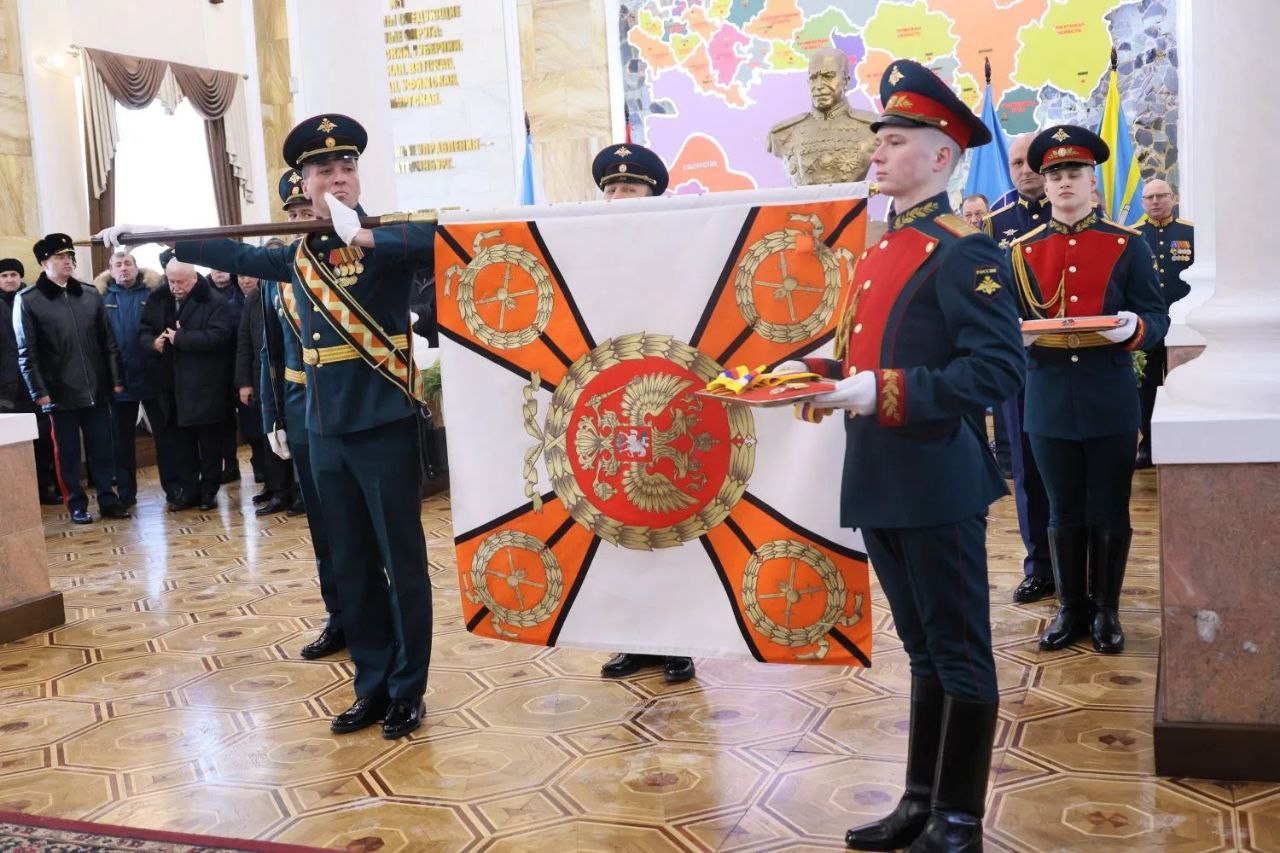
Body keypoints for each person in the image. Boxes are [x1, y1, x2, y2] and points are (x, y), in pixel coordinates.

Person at [104, 115, 433, 739]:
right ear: (304, 184)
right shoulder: (297, 257)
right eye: (324, 171)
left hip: (383, 427)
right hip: (325, 432)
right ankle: (371, 685)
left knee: (402, 563)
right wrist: (151, 235)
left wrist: (363, 235)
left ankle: (408, 689)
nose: (339, 178)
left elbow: (441, 239)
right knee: (352, 565)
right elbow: (234, 252)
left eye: (347, 168)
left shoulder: (389, 238)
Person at [781, 60, 1024, 852]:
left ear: (942, 155)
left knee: (960, 654)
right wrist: (813, 374)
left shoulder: (964, 251)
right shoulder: (884, 247)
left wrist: (876, 391)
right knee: (923, 649)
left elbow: (996, 371)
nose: (876, 152)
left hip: (935, 477)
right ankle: (921, 801)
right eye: (878, 139)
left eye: (893, 141)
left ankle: (959, 820)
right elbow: (874, 352)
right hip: (882, 476)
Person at [1012, 126, 1170, 655]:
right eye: (1054, 173)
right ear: (1045, 182)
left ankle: (1106, 609)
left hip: (1108, 394)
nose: (1064, 181)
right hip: (1049, 397)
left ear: (1092, 180)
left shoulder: (1127, 244)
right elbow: (1004, 320)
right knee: (1061, 509)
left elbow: (1156, 315)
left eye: (1074, 172)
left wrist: (1136, 328)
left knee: (1109, 506)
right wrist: (1013, 336)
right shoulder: (1022, 251)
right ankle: (1070, 607)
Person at [586, 142, 698, 685]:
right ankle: (634, 639)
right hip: (612, 406)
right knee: (619, 518)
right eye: (611, 188)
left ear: (654, 195)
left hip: (668, 404)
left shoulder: (680, 248)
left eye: (629, 187)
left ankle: (679, 641)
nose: (618, 196)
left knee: (670, 519)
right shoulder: (589, 252)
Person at [257, 172, 345, 658]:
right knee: (323, 526)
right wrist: (273, 417)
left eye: (306, 212)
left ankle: (376, 612)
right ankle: (339, 616)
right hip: (300, 408)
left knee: (356, 521)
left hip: (345, 405)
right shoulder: (276, 276)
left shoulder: (347, 262)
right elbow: (269, 352)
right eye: (292, 215)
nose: (299, 221)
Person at [984, 131, 1055, 604]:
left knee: (1068, 468)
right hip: (1019, 364)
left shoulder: (1071, 213)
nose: (1025, 170)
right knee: (1027, 469)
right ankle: (1040, 566)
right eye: (1016, 163)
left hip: (1068, 360)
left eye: (1032, 161)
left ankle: (1081, 566)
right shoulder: (994, 223)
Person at [13, 234, 128, 523]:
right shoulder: (28, 300)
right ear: (44, 263)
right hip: (58, 391)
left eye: (70, 256)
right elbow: (27, 352)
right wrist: (39, 391)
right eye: (60, 257)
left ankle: (108, 500)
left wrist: (115, 380)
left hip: (96, 388)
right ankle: (76, 504)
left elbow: (108, 342)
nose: (68, 261)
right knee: (67, 453)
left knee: (103, 449)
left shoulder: (89, 294)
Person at [139, 259, 234, 511]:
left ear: (194, 278)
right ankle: (188, 490)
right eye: (171, 281)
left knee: (209, 444)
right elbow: (143, 330)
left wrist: (181, 338)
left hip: (204, 385)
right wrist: (152, 343)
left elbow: (220, 336)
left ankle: (209, 492)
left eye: (180, 282)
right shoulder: (159, 298)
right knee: (180, 444)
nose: (175, 287)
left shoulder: (213, 300)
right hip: (170, 385)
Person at [1136, 179, 1192, 468]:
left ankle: (1184, 441)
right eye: (1149, 197)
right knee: (1146, 388)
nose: (1155, 201)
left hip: (1184, 325)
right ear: (1142, 202)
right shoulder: (1133, 235)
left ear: (1174, 198)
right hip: (1148, 325)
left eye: (1161, 196)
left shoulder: (1190, 233)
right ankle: (1149, 444)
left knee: (1183, 385)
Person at [99, 250, 160, 508]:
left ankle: (175, 488)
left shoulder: (153, 294)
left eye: (127, 263)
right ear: (111, 271)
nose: (123, 268)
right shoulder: (101, 298)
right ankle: (126, 494)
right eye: (118, 265)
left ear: (136, 267)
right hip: (119, 381)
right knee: (121, 442)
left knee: (165, 438)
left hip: (153, 377)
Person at [767, 47, 878, 186]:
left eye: (828, 76)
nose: (819, 85)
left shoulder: (872, 128)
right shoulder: (783, 133)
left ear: (846, 81)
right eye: (813, 78)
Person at [234, 272, 292, 514]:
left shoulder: (289, 290)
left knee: (293, 436)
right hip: (263, 376)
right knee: (269, 434)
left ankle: (295, 491)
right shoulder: (253, 298)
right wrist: (244, 383)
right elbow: (245, 342)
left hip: (291, 374)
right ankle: (276, 487)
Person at [210, 268, 255, 484]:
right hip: (220, 369)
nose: (219, 272)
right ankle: (229, 465)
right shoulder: (205, 293)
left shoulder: (244, 291)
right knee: (224, 422)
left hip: (245, 366)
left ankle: (260, 467)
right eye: (214, 268)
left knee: (251, 419)